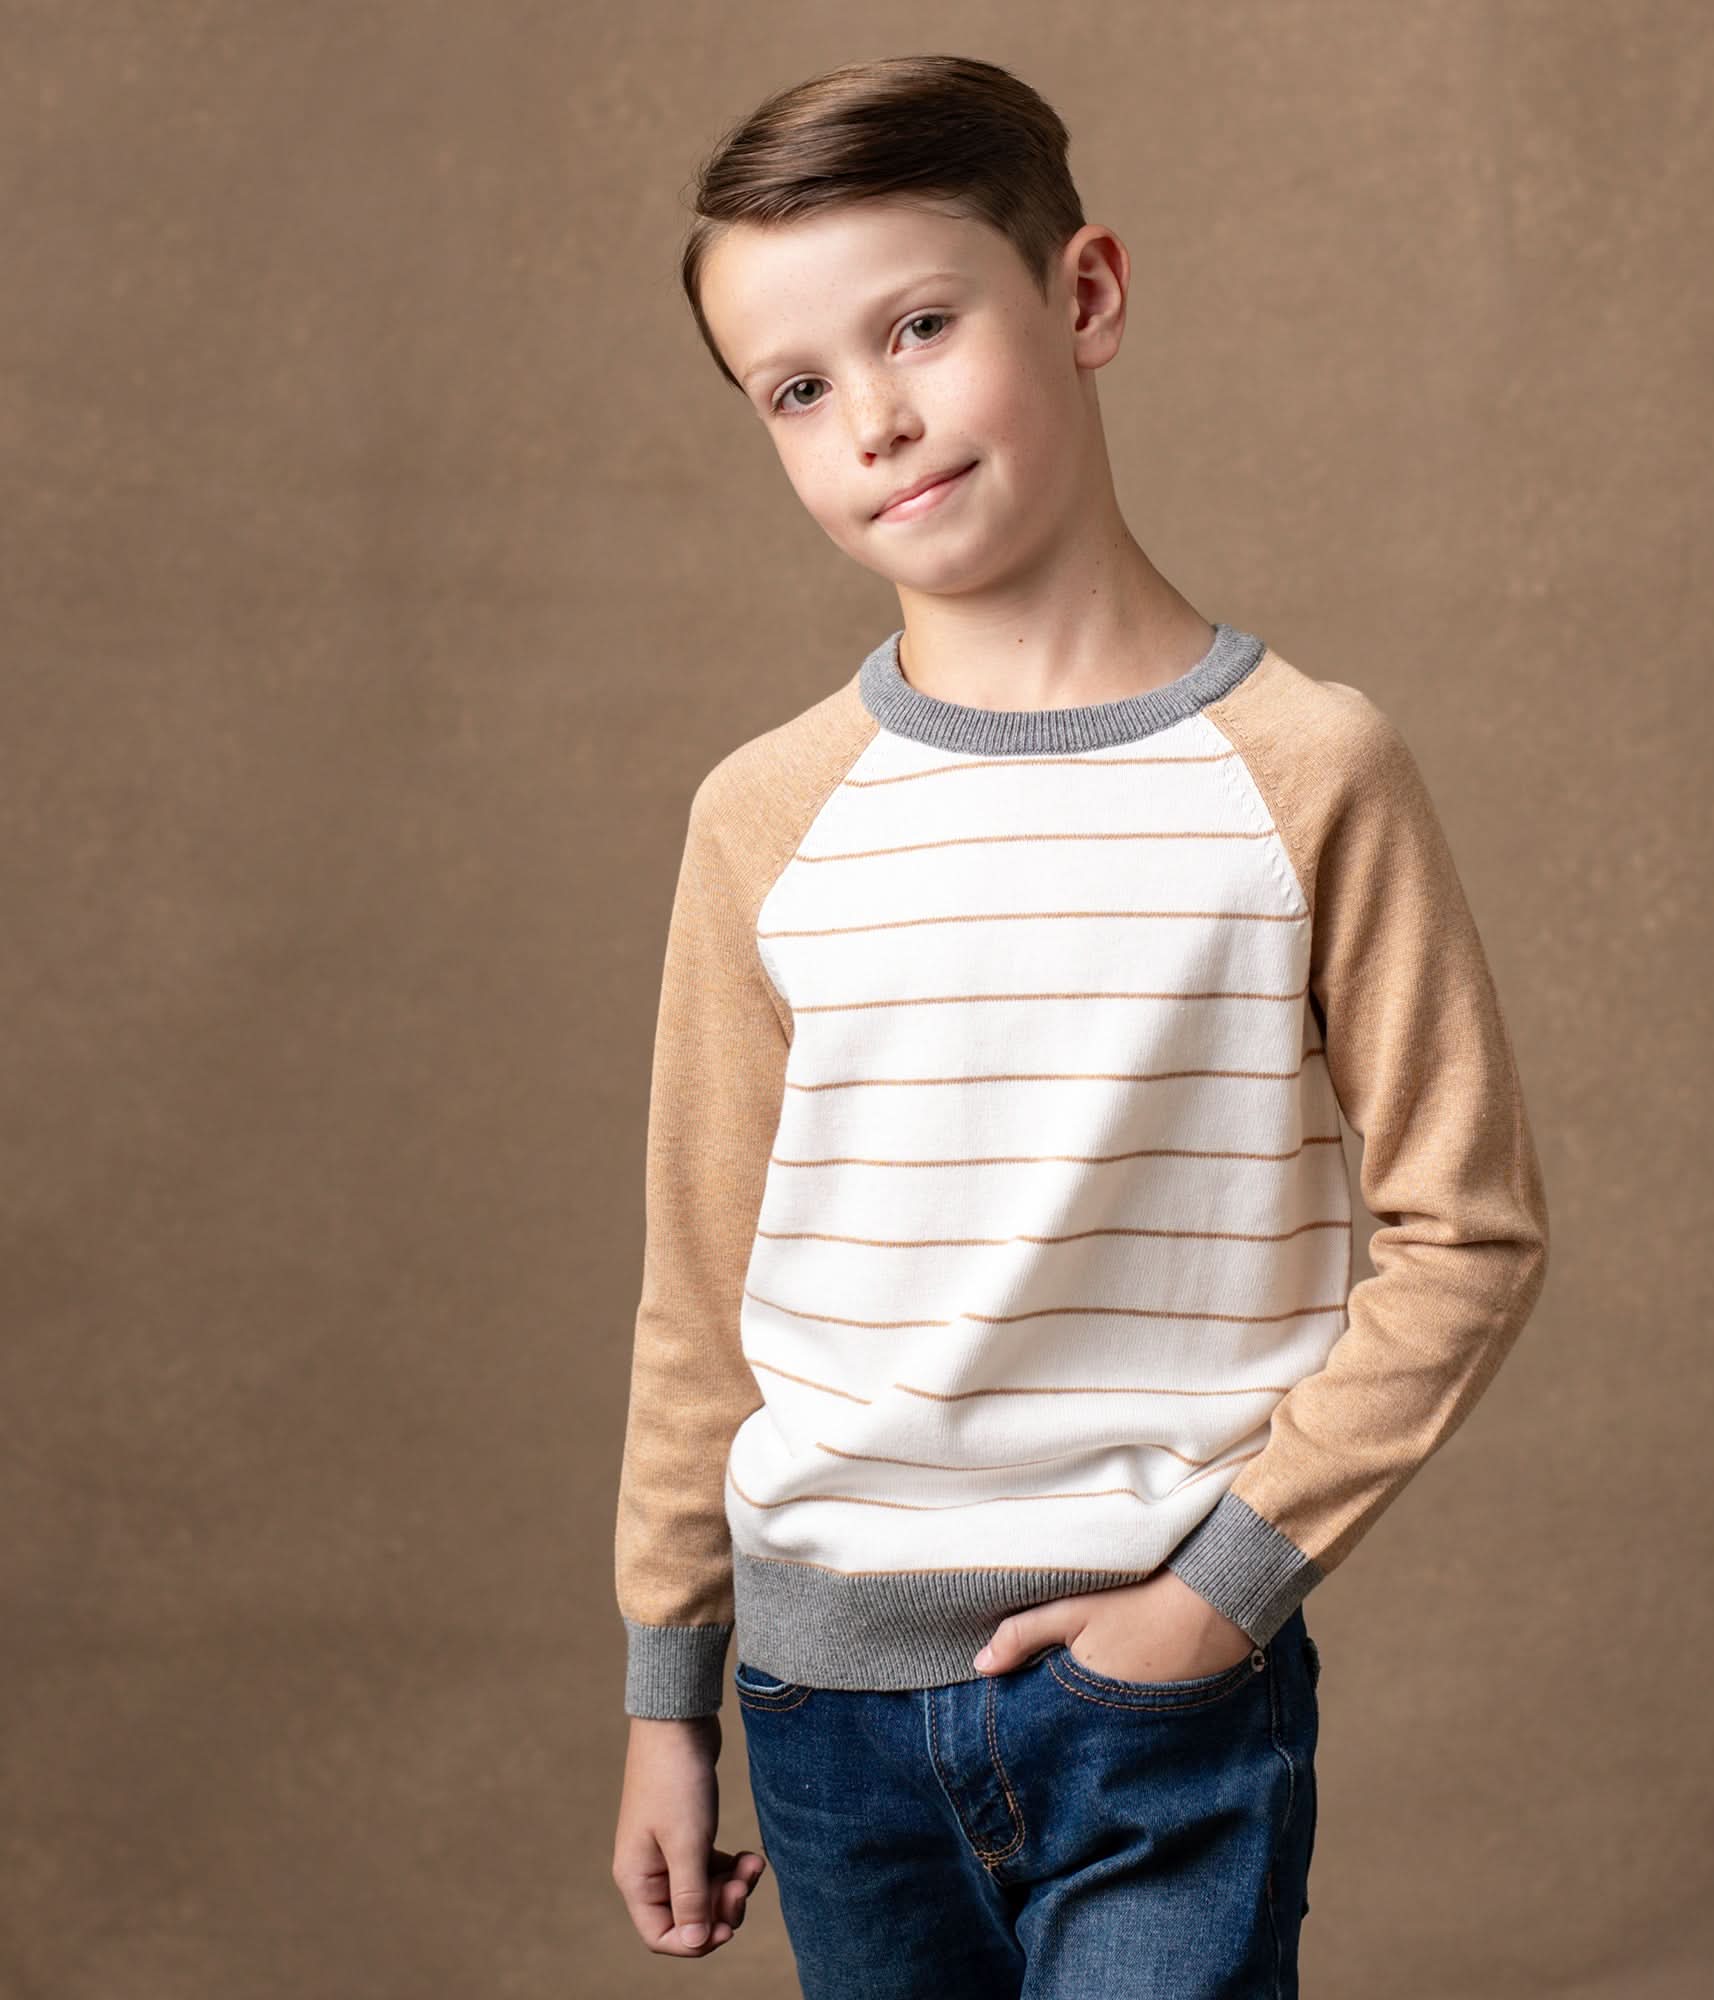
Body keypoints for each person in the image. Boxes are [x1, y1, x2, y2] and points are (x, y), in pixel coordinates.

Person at [608, 52, 1551, 1999]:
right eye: (797, 389)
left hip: (1160, 1702)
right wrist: (664, 1690)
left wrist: (1222, 1594)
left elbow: (1467, 1231)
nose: (875, 418)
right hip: (821, 1712)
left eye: (918, 328)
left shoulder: (1311, 771)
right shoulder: (763, 817)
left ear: (1087, 296)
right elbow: (701, 1294)